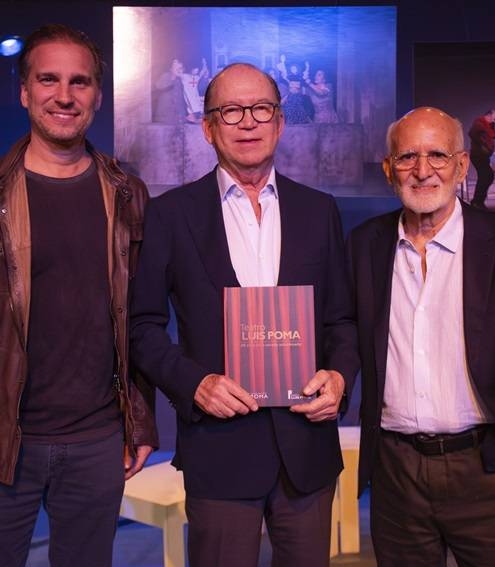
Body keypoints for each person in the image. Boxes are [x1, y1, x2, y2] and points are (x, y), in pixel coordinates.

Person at [0, 24, 157, 567]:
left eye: (80, 81)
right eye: (48, 79)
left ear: (97, 94)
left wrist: (139, 419)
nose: (64, 95)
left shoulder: (127, 193)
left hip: (97, 444)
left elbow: (138, 320)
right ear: (25, 92)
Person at [129, 62, 359, 567]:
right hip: (220, 450)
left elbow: (342, 320)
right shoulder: (171, 215)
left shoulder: (319, 211)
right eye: (231, 111)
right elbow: (141, 327)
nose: (248, 122)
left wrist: (340, 378)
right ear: (208, 127)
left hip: (307, 449)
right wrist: (194, 384)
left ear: (280, 122)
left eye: (261, 109)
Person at [346, 106, 495, 567]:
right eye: (407, 157)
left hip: (494, 471)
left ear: (462, 165)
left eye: (437, 155)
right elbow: (344, 337)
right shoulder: (364, 246)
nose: (422, 171)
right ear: (389, 170)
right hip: (397, 476)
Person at [467, 109, 495, 208]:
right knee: (486, 176)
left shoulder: (488, 125)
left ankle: (478, 201)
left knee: (487, 176)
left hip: (484, 156)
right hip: (478, 155)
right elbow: (471, 133)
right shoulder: (479, 122)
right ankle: (477, 201)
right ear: (489, 116)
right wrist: (482, 144)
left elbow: (493, 135)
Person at [153, 58, 187, 124]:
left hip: (178, 118)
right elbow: (158, 86)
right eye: (175, 66)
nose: (178, 69)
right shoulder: (165, 76)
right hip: (165, 118)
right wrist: (173, 77)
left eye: (180, 67)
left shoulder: (182, 79)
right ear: (170, 68)